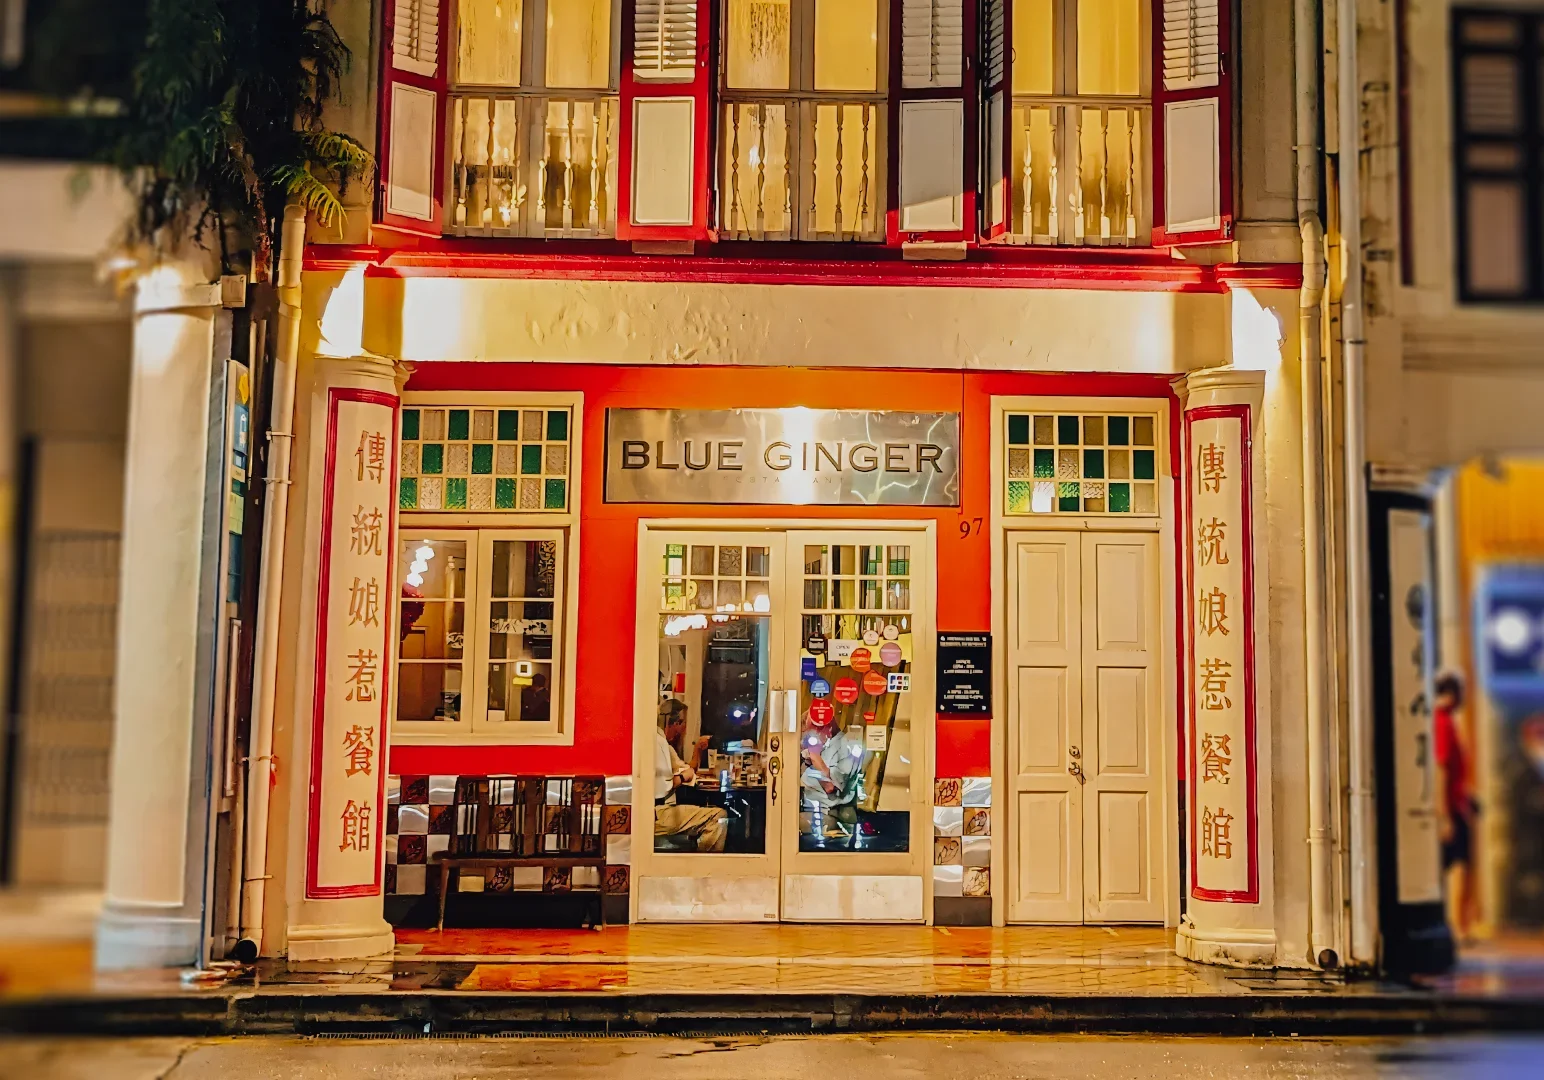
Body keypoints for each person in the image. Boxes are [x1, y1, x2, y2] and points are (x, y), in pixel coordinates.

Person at [1434, 672, 1477, 941]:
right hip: (1450, 807)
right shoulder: (1442, 723)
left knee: (1457, 865)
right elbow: (1441, 769)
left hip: (1456, 804)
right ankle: (1457, 926)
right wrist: (1444, 814)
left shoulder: (1444, 721)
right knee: (1458, 865)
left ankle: (1459, 924)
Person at [654, 699, 725, 853]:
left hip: (658, 810)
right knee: (719, 816)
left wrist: (696, 753)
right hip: (656, 813)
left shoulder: (662, 743)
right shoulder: (657, 742)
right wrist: (683, 777)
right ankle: (703, 866)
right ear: (675, 723)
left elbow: (686, 768)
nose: (684, 728)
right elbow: (661, 788)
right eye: (683, 722)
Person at [800, 717, 864, 839]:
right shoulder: (828, 744)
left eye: (811, 732)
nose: (810, 737)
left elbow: (830, 787)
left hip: (827, 813)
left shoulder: (846, 746)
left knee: (784, 824)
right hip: (812, 807)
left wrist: (814, 757)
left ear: (825, 727)